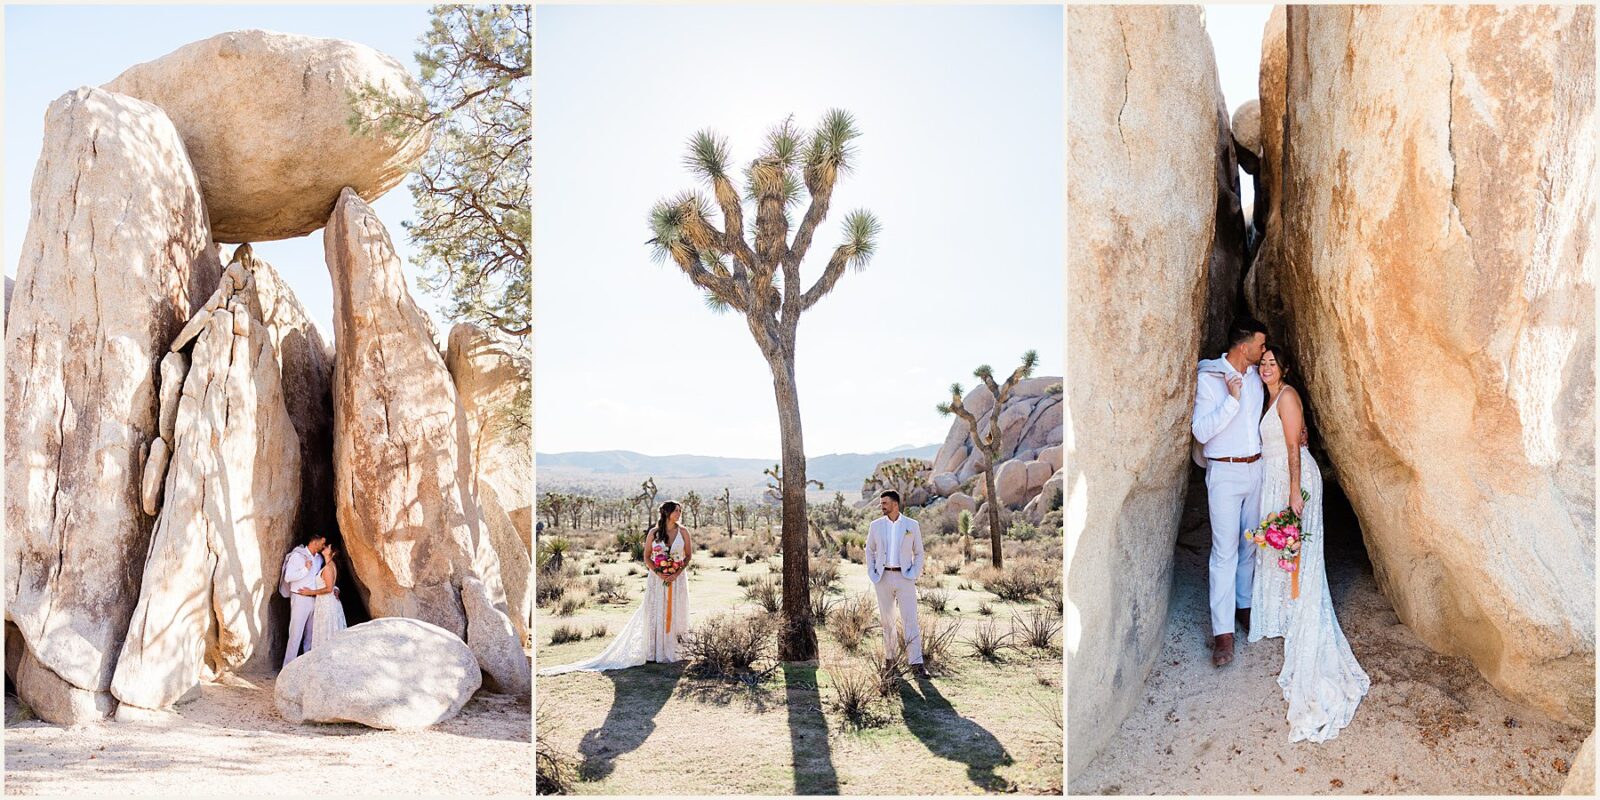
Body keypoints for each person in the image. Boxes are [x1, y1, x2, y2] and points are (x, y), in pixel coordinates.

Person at [1248, 344, 1369, 742]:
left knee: (1297, 554)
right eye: (1262, 362)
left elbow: (1292, 450)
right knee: (1281, 552)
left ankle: (1298, 611)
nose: (1266, 368)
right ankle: (1283, 612)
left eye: (1272, 363)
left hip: (1293, 480)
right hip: (1275, 480)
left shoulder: (1288, 396)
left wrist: (1295, 492)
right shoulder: (1265, 396)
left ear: (1284, 368)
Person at [1191, 318, 1269, 667]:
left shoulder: (1257, 376)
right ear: (1243, 347)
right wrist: (1232, 400)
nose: (1264, 351)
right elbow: (1201, 431)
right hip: (1223, 471)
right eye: (1260, 345)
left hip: (1256, 469)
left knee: (1250, 542)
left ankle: (1244, 606)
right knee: (1224, 552)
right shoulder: (1209, 379)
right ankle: (1223, 633)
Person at [539, 501, 692, 675]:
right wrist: (659, 572)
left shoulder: (684, 532)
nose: (679, 513)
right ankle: (655, 651)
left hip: (677, 579)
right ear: (667, 513)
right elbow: (647, 557)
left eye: (680, 511)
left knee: (676, 609)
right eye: (676, 511)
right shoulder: (654, 533)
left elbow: (688, 556)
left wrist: (676, 572)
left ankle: (674, 648)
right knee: (655, 610)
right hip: (657, 579)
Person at [866, 490, 930, 679]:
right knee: (888, 622)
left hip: (905, 578)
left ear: (895, 504)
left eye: (884, 503)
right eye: (881, 503)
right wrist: (872, 572)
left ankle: (917, 664)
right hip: (883, 578)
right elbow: (869, 550)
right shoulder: (875, 526)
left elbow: (919, 552)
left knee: (910, 620)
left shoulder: (912, 525)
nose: (882, 506)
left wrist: (914, 573)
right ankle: (890, 662)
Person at [279, 533, 325, 667]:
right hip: (299, 599)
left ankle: (306, 669)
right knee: (295, 634)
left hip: (314, 599)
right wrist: (305, 569)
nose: (323, 546)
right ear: (314, 541)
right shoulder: (297, 556)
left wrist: (334, 588)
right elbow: (288, 577)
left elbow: (322, 578)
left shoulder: (319, 559)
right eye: (322, 543)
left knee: (310, 636)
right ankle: (286, 668)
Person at [296, 542, 348, 649]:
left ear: (332, 553)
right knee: (327, 631)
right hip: (326, 602)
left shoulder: (328, 567)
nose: (324, 547)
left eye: (328, 547)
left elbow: (329, 588)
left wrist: (309, 592)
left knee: (327, 631)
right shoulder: (329, 565)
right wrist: (336, 589)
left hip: (327, 603)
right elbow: (332, 586)